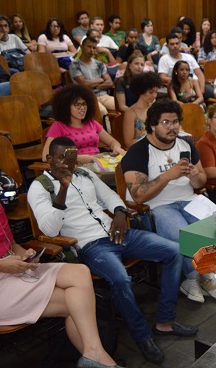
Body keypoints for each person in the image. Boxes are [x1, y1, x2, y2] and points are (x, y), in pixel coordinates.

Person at [29, 137, 197, 365]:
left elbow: (109, 196)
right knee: (121, 279)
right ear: (49, 159)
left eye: (72, 157)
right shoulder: (40, 187)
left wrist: (119, 212)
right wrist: (63, 189)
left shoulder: (86, 174)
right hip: (91, 245)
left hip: (118, 233)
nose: (69, 164)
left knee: (175, 251)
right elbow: (49, 229)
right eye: (61, 157)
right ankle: (141, 336)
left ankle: (164, 322)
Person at [0, 154, 118, 368]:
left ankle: (94, 356)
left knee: (79, 272)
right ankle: (97, 358)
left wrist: (23, 253)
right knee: (76, 304)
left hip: (11, 271)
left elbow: (10, 244)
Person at [122, 99, 216, 304]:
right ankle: (192, 278)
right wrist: (168, 175)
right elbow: (138, 195)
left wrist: (195, 176)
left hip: (189, 198)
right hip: (158, 205)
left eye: (175, 122)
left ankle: (207, 273)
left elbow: (201, 181)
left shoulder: (186, 144)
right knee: (183, 235)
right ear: (153, 125)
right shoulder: (138, 151)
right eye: (165, 122)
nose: (172, 127)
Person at [43, 85, 126, 166]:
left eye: (84, 104)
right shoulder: (58, 126)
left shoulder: (91, 123)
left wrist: (116, 147)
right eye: (77, 104)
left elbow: (112, 142)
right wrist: (76, 158)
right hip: (74, 169)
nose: (82, 108)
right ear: (66, 107)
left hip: (97, 164)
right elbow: (46, 156)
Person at [69, 36, 116, 116]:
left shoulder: (99, 64)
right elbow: (84, 84)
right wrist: (101, 80)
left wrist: (95, 87)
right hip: (86, 97)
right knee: (102, 111)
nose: (91, 50)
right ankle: (105, 129)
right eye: (89, 47)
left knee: (122, 106)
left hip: (103, 95)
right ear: (81, 47)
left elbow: (109, 82)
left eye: (94, 48)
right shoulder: (75, 64)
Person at [122, 72, 161, 148]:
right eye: (151, 92)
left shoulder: (156, 109)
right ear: (141, 91)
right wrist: (152, 141)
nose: (154, 95)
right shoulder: (130, 113)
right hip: (141, 150)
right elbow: (128, 142)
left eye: (156, 92)